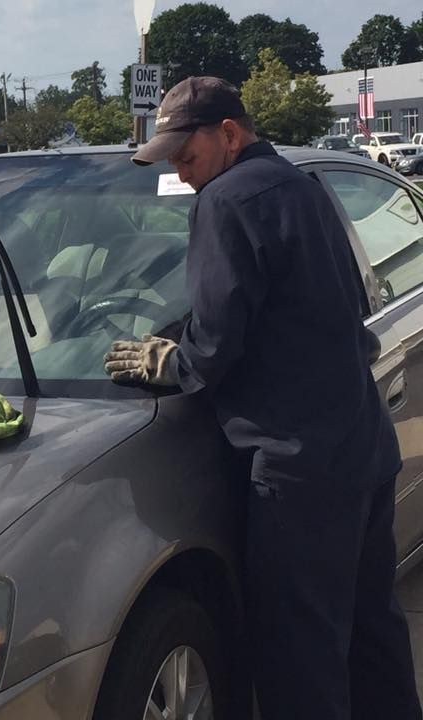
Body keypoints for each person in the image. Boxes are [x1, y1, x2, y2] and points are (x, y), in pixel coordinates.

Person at [104, 76, 421, 720]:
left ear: (228, 133)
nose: (183, 174)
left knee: (299, 653)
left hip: (297, 466)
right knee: (369, 628)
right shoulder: (301, 186)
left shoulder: (226, 202)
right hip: (361, 443)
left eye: (185, 157)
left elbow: (216, 344)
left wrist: (173, 360)